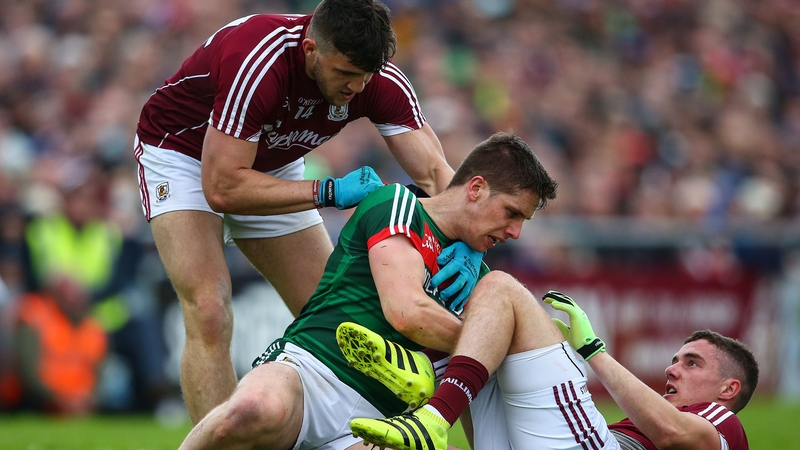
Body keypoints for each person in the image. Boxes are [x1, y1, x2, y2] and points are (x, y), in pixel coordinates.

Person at [133, 0, 484, 423]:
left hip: (271, 163)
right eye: (345, 75)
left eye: (365, 77)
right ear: (311, 49)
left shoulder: (378, 78)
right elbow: (222, 187)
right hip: (184, 157)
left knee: (338, 317)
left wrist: (472, 242)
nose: (356, 88)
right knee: (209, 310)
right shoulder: (259, 59)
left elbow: (434, 173)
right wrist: (328, 190)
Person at [176, 130, 558, 449]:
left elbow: (476, 393)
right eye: (511, 213)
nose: (515, 232)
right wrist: (488, 344)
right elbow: (406, 313)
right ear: (476, 188)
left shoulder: (477, 277)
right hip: (313, 373)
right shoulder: (399, 204)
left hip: (383, 419)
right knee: (252, 410)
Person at [346, 291, 759, 450]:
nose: (673, 369)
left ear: (728, 389)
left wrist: (593, 350)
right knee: (369, 449)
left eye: (691, 363)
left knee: (502, 292)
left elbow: (672, 432)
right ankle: (431, 380)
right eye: (674, 359)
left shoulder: (723, 425)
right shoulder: (654, 423)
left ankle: (432, 393)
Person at [15, 271, 108, 415]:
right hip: (42, 402)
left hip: (83, 400)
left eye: (77, 294)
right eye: (66, 293)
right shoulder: (35, 314)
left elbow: (100, 370)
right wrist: (58, 400)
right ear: (53, 294)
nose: (73, 299)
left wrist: (89, 399)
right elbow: (27, 370)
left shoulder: (94, 324)